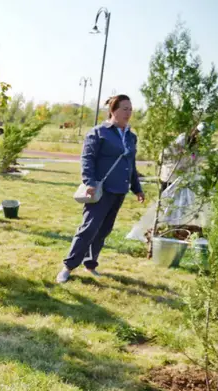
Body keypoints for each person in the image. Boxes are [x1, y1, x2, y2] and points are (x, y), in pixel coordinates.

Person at [57, 94, 145, 284]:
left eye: (130, 109)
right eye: (124, 109)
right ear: (113, 110)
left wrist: (137, 188)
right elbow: (87, 159)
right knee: (89, 228)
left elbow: (131, 164)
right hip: (100, 190)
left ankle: (90, 264)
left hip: (119, 190)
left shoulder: (131, 136)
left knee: (104, 229)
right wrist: (89, 182)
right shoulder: (98, 133)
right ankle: (68, 267)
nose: (128, 113)